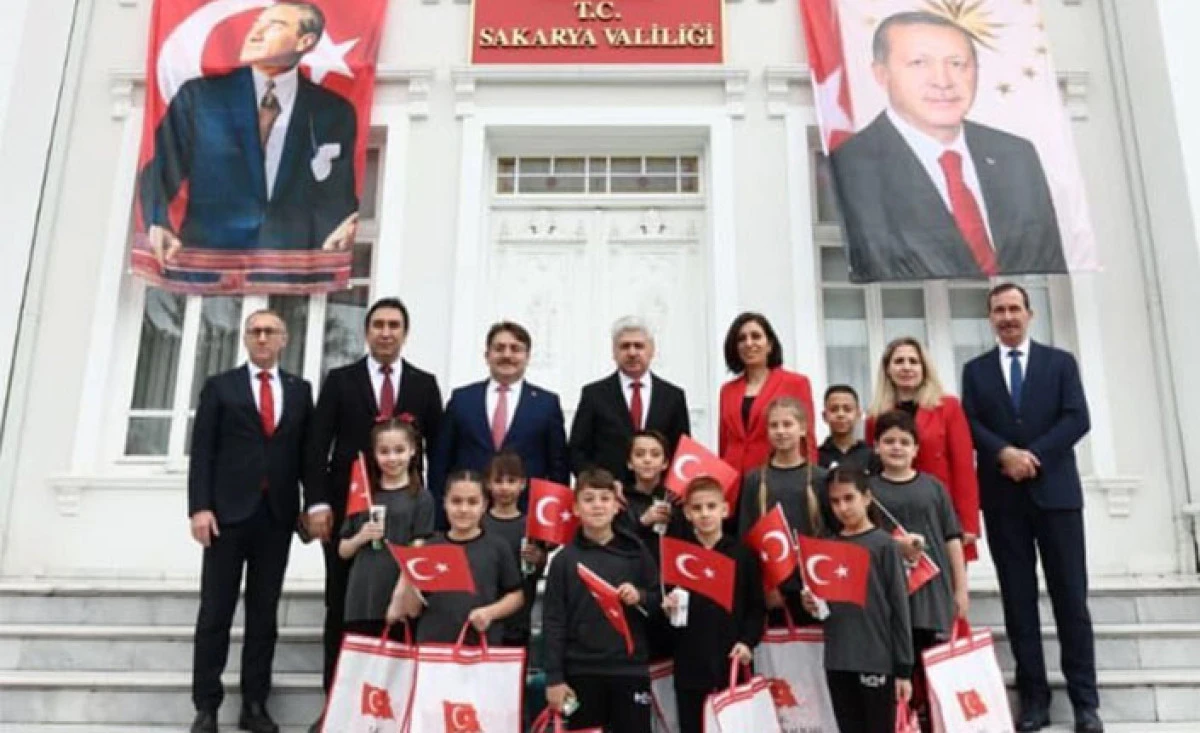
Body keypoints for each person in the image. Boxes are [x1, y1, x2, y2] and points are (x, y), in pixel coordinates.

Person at [830, 11, 1067, 282]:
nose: (942, 81)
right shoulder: (853, 165)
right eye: (919, 63)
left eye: (957, 64)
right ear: (882, 74)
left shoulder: (1015, 155)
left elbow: (1044, 250)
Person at [960, 283, 1100, 733]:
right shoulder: (976, 371)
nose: (1007, 317)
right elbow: (970, 423)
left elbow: (1077, 418)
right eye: (998, 310)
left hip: (1056, 497)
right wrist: (1004, 453)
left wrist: (1033, 456)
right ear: (990, 318)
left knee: (1070, 599)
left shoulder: (1060, 363)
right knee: (1018, 603)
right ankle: (1034, 700)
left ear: (1029, 313)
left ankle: (1085, 702)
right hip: (1004, 500)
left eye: (1014, 309)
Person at [305, 297, 443, 732]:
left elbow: (439, 449)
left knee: (401, 608)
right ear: (366, 332)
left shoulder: (424, 384)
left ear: (405, 333)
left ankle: (395, 706)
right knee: (341, 608)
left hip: (406, 513)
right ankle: (336, 704)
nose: (386, 332)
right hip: (348, 512)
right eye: (378, 324)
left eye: (394, 325)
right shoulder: (340, 380)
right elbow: (317, 444)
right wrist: (317, 503)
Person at [139, 1, 358, 268]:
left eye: (274, 26)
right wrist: (157, 222)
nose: (255, 33)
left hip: (289, 273)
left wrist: (347, 224)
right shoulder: (202, 98)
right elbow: (161, 170)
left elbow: (337, 195)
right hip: (206, 270)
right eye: (256, 24)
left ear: (305, 41)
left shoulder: (332, 111)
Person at [187, 309, 315, 733]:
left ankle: (255, 704)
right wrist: (200, 507)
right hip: (226, 517)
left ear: (284, 339)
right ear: (245, 338)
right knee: (216, 611)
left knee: (264, 613)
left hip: (276, 517)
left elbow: (306, 455)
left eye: (270, 331)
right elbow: (202, 452)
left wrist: (312, 505)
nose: (262, 338)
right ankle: (206, 706)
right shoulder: (220, 387)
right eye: (255, 331)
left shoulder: (300, 391)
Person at [870, 410, 968, 733]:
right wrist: (895, 546)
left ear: (916, 449)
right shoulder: (868, 491)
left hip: (932, 592)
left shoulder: (934, 488)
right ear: (876, 447)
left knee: (931, 666)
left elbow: (952, 538)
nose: (896, 447)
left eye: (904, 442)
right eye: (889, 441)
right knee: (898, 666)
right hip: (889, 595)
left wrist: (960, 589)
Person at [543, 468, 662, 732]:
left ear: (617, 506)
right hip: (581, 671)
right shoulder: (563, 560)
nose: (597, 505)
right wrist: (554, 679)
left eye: (605, 498)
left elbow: (658, 600)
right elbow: (553, 622)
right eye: (589, 499)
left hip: (629, 670)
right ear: (575, 508)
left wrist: (640, 596)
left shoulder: (636, 552)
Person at [802, 467, 913, 733]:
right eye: (835, 501)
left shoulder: (884, 545)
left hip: (876, 659)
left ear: (866, 498)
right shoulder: (826, 546)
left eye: (849, 498)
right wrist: (813, 605)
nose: (843, 508)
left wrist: (903, 669)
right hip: (838, 659)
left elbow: (900, 607)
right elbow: (825, 606)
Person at [431, 321, 570, 516]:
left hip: (525, 514)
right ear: (487, 355)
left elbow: (558, 468)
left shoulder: (546, 404)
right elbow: (441, 461)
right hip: (467, 512)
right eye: (499, 348)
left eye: (515, 349)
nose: (507, 355)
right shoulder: (462, 399)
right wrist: (440, 514)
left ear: (527, 356)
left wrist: (554, 518)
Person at [866, 337, 981, 561]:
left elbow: (963, 466)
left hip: (939, 510)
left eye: (913, 361)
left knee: (947, 578)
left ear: (924, 368)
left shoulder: (948, 407)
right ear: (888, 369)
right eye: (899, 361)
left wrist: (968, 522)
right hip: (893, 513)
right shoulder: (875, 415)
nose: (906, 367)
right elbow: (875, 468)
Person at [665, 476, 765, 733]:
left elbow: (756, 607)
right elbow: (666, 609)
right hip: (691, 662)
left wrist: (747, 642)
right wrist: (668, 609)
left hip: (731, 658)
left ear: (725, 509)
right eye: (697, 508)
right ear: (687, 514)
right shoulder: (678, 556)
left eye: (711, 506)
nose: (705, 514)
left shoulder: (743, 554)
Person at [387, 469, 525, 645]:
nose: (463, 509)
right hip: (434, 645)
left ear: (484, 505)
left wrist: (490, 612)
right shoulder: (430, 547)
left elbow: (516, 596)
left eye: (472, 502)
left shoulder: (497, 546)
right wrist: (409, 571)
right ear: (445, 503)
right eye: (456, 501)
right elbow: (412, 610)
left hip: (480, 646)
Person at [338, 418, 434, 640]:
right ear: (374, 454)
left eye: (399, 450)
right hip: (363, 588)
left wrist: (400, 594)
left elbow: (419, 549)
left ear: (412, 450)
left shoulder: (421, 497)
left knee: (397, 650)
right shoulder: (364, 494)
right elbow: (343, 550)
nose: (392, 458)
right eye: (384, 451)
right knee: (362, 651)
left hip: (399, 586)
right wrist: (361, 536)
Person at [736, 397, 830, 625]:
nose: (780, 431)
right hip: (772, 588)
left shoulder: (821, 478)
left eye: (787, 424)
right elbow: (746, 537)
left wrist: (820, 584)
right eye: (774, 425)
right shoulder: (755, 479)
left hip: (813, 585)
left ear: (803, 429)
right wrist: (764, 586)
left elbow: (830, 534)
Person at [569, 317, 691, 487]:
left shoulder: (673, 396)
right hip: (609, 494)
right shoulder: (594, 395)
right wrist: (600, 486)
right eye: (625, 346)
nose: (632, 353)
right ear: (614, 352)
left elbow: (681, 450)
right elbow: (577, 451)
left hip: (657, 494)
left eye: (639, 346)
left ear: (652, 350)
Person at [718, 312, 817, 485]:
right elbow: (724, 442)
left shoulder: (795, 383)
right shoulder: (727, 390)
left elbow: (807, 438)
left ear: (770, 345)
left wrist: (809, 480)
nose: (749, 343)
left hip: (774, 477)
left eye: (756, 336)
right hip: (733, 479)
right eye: (741, 339)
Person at [479, 450, 547, 649]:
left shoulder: (532, 526)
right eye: (498, 481)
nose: (504, 488)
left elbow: (535, 572)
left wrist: (538, 560)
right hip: (483, 612)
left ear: (523, 484)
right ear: (488, 484)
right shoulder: (479, 523)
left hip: (520, 619)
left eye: (511, 481)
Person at [819, 384, 875, 472]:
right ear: (824, 416)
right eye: (834, 409)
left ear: (858, 415)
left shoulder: (872, 456)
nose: (841, 414)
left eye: (847, 409)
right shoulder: (817, 457)